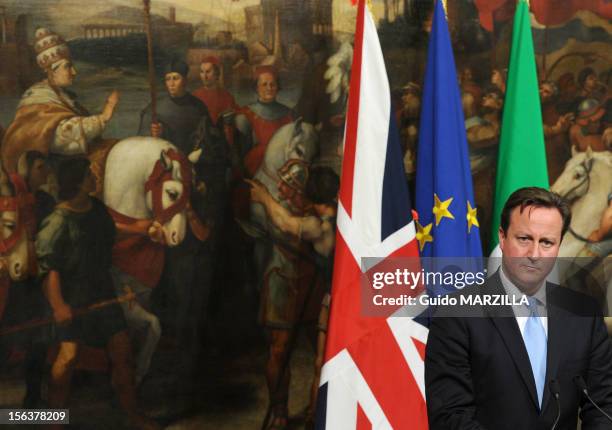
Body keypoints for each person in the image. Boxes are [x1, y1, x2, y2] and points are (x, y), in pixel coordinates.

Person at [425, 187, 612, 429]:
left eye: (547, 242)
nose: (535, 254)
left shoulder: (583, 312)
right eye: (524, 239)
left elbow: (603, 407)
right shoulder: (456, 313)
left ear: (559, 246)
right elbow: (450, 417)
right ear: (502, 238)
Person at [35, 158, 158, 430]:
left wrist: (140, 229)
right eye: (89, 174)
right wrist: (59, 306)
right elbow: (49, 271)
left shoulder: (96, 209)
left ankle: (132, 413)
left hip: (102, 293)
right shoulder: (57, 222)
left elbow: (110, 232)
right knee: (68, 358)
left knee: (123, 354)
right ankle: (52, 422)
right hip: (71, 299)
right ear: (78, 181)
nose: (95, 177)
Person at [247, 167, 338, 430]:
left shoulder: (319, 224)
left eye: (291, 186)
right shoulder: (340, 213)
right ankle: (292, 411)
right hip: (298, 285)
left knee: (324, 361)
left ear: (307, 194)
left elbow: (286, 222)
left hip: (328, 296)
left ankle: (316, 419)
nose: (283, 189)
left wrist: (264, 198)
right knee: (302, 355)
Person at [1, 27, 119, 174]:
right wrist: (103, 117)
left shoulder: (62, 95)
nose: (74, 72)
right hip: (50, 174)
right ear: (51, 70)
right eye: (68, 67)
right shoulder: (37, 99)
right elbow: (59, 138)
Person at [235, 66, 294, 178]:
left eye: (273, 84)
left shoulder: (288, 114)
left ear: (278, 87)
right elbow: (240, 154)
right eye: (264, 84)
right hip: (254, 169)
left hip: (284, 170)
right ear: (256, 88)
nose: (269, 88)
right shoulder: (245, 114)